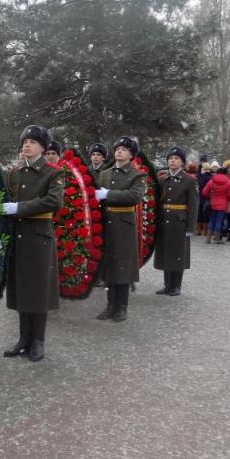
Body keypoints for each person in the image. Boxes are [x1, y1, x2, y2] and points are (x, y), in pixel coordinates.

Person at [1, 125, 65, 360]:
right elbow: (4, 197)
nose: (26, 145)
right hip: (18, 236)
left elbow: (54, 201)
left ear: (42, 147)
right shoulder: (14, 173)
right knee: (21, 288)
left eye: (32, 142)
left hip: (39, 235)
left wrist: (19, 208)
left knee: (38, 288)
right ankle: (23, 338)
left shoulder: (53, 173)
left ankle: (38, 339)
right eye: (24, 142)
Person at [95, 137, 145, 321]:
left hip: (124, 223)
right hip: (107, 222)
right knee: (109, 266)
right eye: (117, 149)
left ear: (131, 154)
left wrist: (109, 194)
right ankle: (110, 305)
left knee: (123, 266)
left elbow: (135, 196)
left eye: (124, 149)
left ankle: (121, 306)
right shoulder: (105, 174)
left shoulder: (137, 174)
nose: (119, 152)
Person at [153, 147, 198, 295]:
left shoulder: (189, 180)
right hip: (164, 220)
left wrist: (190, 227)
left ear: (182, 163)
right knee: (166, 252)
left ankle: (176, 286)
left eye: (176, 158)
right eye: (170, 158)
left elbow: (193, 205)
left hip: (179, 221)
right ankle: (167, 285)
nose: (172, 161)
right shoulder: (162, 179)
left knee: (178, 253)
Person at [201, 167, 230, 244]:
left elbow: (204, 192)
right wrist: (227, 199)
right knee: (219, 221)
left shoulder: (211, 181)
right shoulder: (229, 182)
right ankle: (217, 238)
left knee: (211, 220)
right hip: (223, 204)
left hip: (212, 203)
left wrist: (210, 196)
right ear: (226, 173)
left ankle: (208, 239)